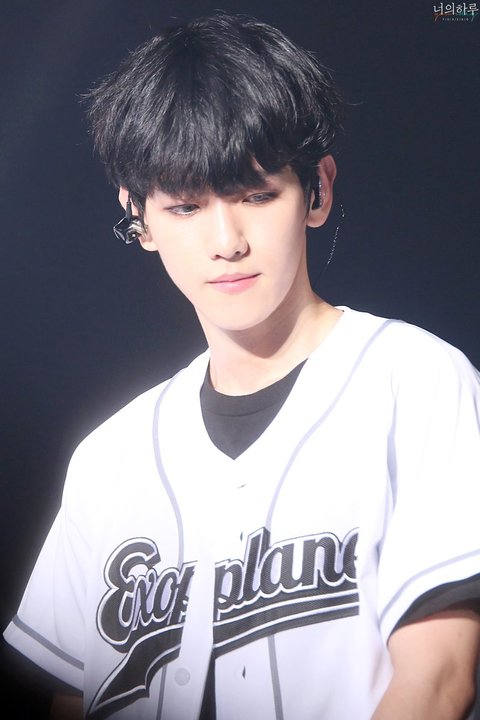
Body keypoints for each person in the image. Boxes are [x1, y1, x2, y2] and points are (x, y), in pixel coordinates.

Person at [4, 13, 480, 720]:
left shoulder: (414, 382)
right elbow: (71, 697)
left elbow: (438, 678)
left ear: (317, 190)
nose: (226, 241)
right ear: (138, 216)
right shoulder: (108, 458)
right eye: (185, 206)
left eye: (256, 195)